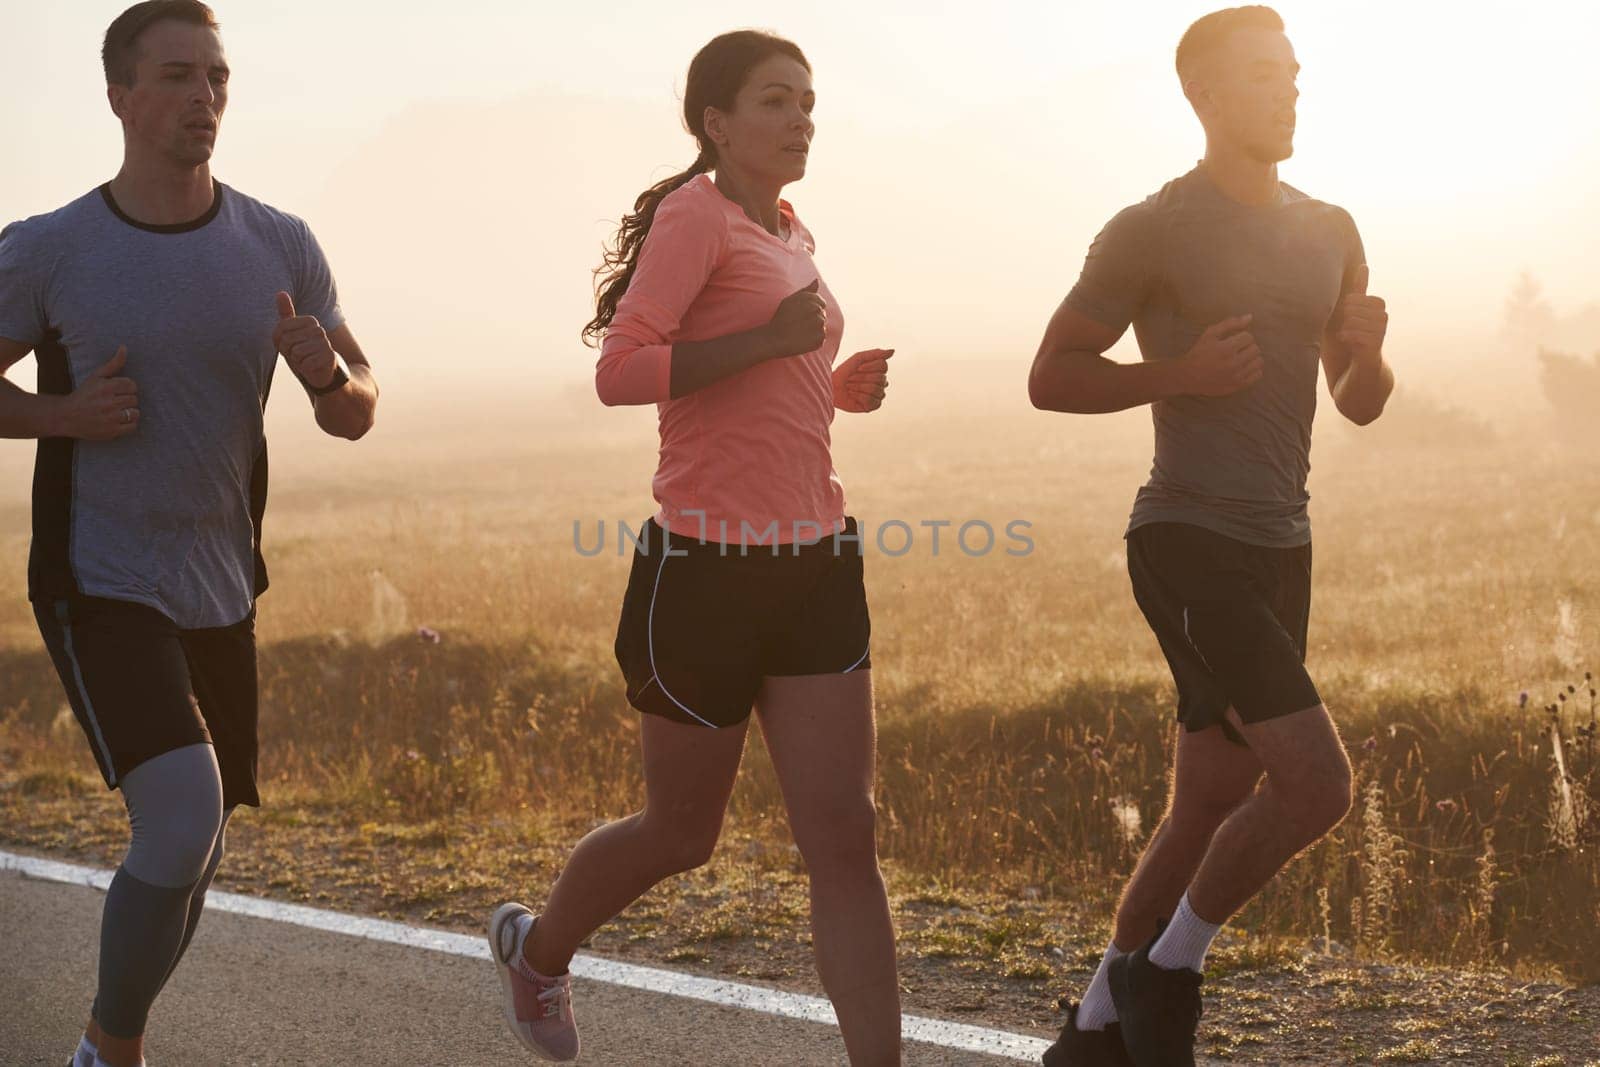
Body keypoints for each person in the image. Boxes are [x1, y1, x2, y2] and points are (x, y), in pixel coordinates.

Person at [486, 29, 900, 1066]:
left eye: (806, 100)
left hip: (816, 561)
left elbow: (768, 381)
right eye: (773, 100)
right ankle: (537, 951)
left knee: (844, 837)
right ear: (715, 120)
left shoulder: (791, 227)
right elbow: (622, 371)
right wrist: (771, 342)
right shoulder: (694, 217)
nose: (800, 117)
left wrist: (829, 385)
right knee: (681, 832)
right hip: (704, 572)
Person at [0, 4, 379, 1066]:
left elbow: (358, 404)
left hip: (219, 578)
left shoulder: (278, 243)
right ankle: (108, 1049)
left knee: (200, 840)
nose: (203, 98)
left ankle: (110, 1039)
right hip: (96, 574)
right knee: (178, 817)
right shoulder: (49, 249)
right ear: (120, 97)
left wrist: (326, 376)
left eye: (216, 77)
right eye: (176, 77)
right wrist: (55, 414)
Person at [1028, 6, 1392, 1066]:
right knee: (1317, 784)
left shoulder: (1330, 227)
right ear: (1203, 97)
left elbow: (1356, 400)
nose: (1285, 90)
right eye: (1260, 76)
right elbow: (1051, 375)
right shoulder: (1151, 228)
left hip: (1284, 542)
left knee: (1207, 800)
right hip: (1185, 538)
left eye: (1292, 72)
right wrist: (1175, 373)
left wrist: (1367, 354)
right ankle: (1169, 971)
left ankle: (1094, 1027)